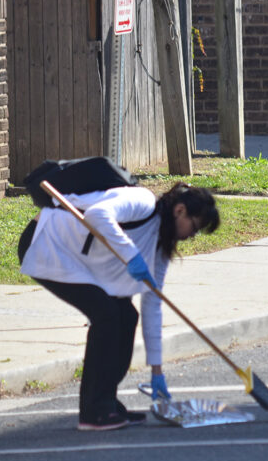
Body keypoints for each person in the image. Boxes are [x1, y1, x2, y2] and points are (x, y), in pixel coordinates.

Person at [18, 182, 219, 431]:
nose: (192, 235)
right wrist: (131, 255)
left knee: (126, 315)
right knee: (107, 315)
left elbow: (152, 305)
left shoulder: (160, 246)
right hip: (47, 242)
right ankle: (94, 411)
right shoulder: (142, 202)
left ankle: (106, 402)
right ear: (180, 210)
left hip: (80, 261)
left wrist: (157, 372)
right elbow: (97, 215)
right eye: (195, 227)